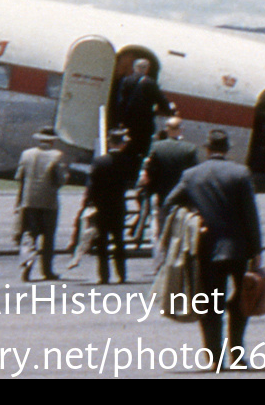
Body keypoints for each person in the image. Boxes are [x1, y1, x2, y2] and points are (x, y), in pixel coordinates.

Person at [163, 129, 263, 370]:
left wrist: (194, 212)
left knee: (210, 304)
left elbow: (169, 202)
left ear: (207, 149)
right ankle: (238, 356)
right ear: (227, 148)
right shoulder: (240, 173)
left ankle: (215, 359)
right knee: (241, 303)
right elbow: (251, 215)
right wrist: (257, 248)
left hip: (206, 248)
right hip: (238, 248)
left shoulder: (191, 175)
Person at [13, 126, 68, 280]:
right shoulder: (57, 156)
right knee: (48, 238)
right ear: (52, 141)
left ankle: (27, 267)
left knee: (29, 236)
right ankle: (47, 271)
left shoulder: (27, 154)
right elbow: (61, 180)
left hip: (29, 201)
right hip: (49, 202)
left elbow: (19, 177)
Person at [82, 128, 132, 284]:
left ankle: (104, 275)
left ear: (110, 142)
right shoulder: (127, 162)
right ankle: (122, 274)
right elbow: (129, 182)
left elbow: (92, 185)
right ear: (122, 144)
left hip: (102, 206)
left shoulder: (99, 162)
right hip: (118, 205)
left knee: (102, 242)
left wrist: (88, 202)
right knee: (119, 241)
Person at [141, 117, 201, 242]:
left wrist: (150, 191)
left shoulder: (156, 147)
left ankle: (162, 257)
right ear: (181, 129)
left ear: (166, 129)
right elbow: (195, 175)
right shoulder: (190, 149)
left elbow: (150, 171)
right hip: (183, 198)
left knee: (162, 233)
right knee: (180, 235)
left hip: (162, 196)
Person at [114, 50, 170, 160]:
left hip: (127, 121)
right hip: (144, 124)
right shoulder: (150, 83)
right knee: (141, 150)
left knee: (126, 146)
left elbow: (121, 101)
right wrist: (168, 110)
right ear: (147, 69)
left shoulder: (126, 81)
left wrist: (119, 119)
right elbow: (161, 100)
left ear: (134, 68)